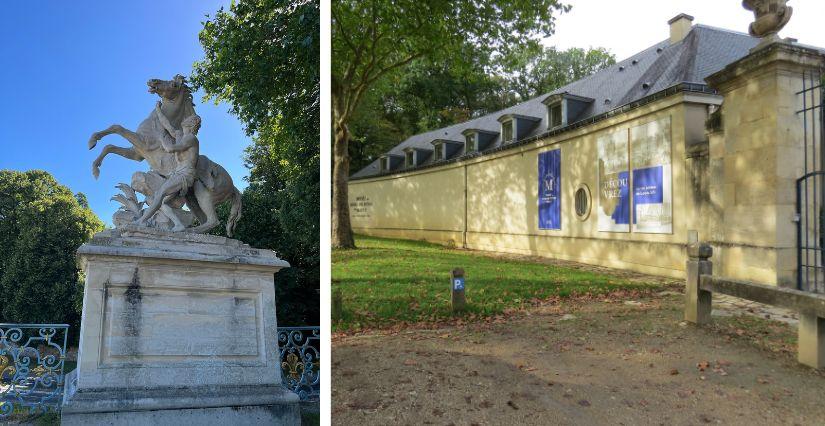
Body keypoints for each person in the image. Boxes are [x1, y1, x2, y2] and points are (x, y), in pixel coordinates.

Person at [135, 102, 200, 230]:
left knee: (159, 195)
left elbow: (170, 148)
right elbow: (167, 125)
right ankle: (178, 224)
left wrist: (161, 137)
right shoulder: (180, 135)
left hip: (185, 175)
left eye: (188, 118)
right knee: (161, 202)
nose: (185, 118)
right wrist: (158, 110)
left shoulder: (191, 139)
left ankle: (141, 221)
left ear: (191, 123)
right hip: (177, 174)